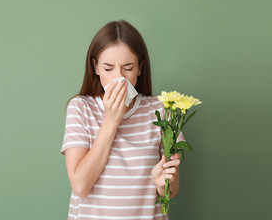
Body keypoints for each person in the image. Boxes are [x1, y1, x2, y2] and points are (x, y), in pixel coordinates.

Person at [60, 20, 185, 220]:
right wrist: (111, 121)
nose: (119, 79)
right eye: (108, 68)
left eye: (128, 68)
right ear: (96, 67)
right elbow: (81, 186)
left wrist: (163, 184)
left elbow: (171, 191)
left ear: (140, 68)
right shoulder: (81, 108)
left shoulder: (161, 109)